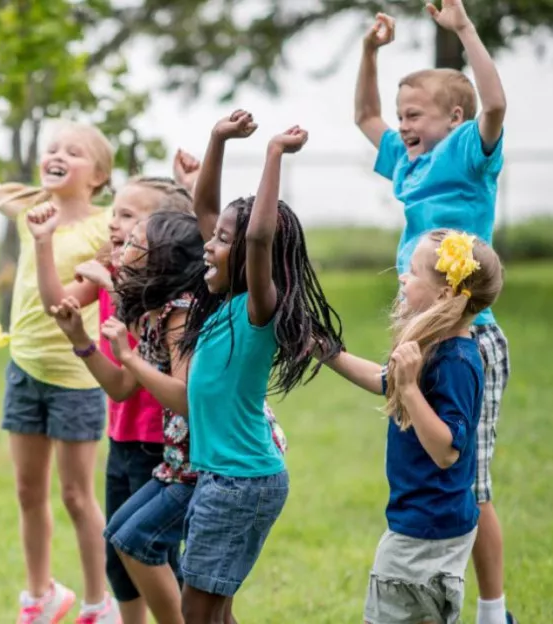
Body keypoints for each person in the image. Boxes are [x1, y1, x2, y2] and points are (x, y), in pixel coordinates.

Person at [0, 103, 119, 623]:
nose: (56, 156)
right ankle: (41, 596)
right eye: (52, 149)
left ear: (98, 176)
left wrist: (42, 240)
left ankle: (100, 603)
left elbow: (70, 304)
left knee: (78, 496)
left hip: (76, 378)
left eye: (73, 152)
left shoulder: (106, 230)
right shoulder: (32, 205)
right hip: (24, 369)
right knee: (27, 490)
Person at [354, 3, 512, 621]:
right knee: (441, 469)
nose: (400, 124)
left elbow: (494, 105)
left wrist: (464, 31)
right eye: (402, 117)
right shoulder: (408, 162)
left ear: (453, 117)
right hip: (430, 329)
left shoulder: (472, 152)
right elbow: (365, 115)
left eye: (413, 114)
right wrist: (370, 52)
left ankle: (494, 611)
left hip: (470, 333)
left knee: (472, 483)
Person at [175, 118, 343, 623]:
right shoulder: (223, 298)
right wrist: (218, 140)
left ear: (246, 254)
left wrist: (273, 154)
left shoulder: (257, 309)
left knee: (197, 610)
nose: (209, 243)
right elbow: (205, 209)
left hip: (239, 482)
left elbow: (261, 238)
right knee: (214, 609)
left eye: (223, 240)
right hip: (225, 477)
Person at [317, 230, 504, 624]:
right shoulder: (439, 347)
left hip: (423, 536)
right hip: (430, 525)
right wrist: (328, 353)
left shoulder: (456, 361)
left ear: (443, 294)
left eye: (413, 271)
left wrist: (408, 389)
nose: (402, 277)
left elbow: (447, 450)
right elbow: (385, 379)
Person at [48, 207, 200, 624]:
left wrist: (130, 354)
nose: (122, 243)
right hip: (178, 463)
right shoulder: (152, 315)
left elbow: (187, 398)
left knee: (144, 545)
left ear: (160, 260)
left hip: (210, 464)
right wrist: (80, 339)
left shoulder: (181, 314)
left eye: (135, 242)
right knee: (122, 535)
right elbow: (119, 387)